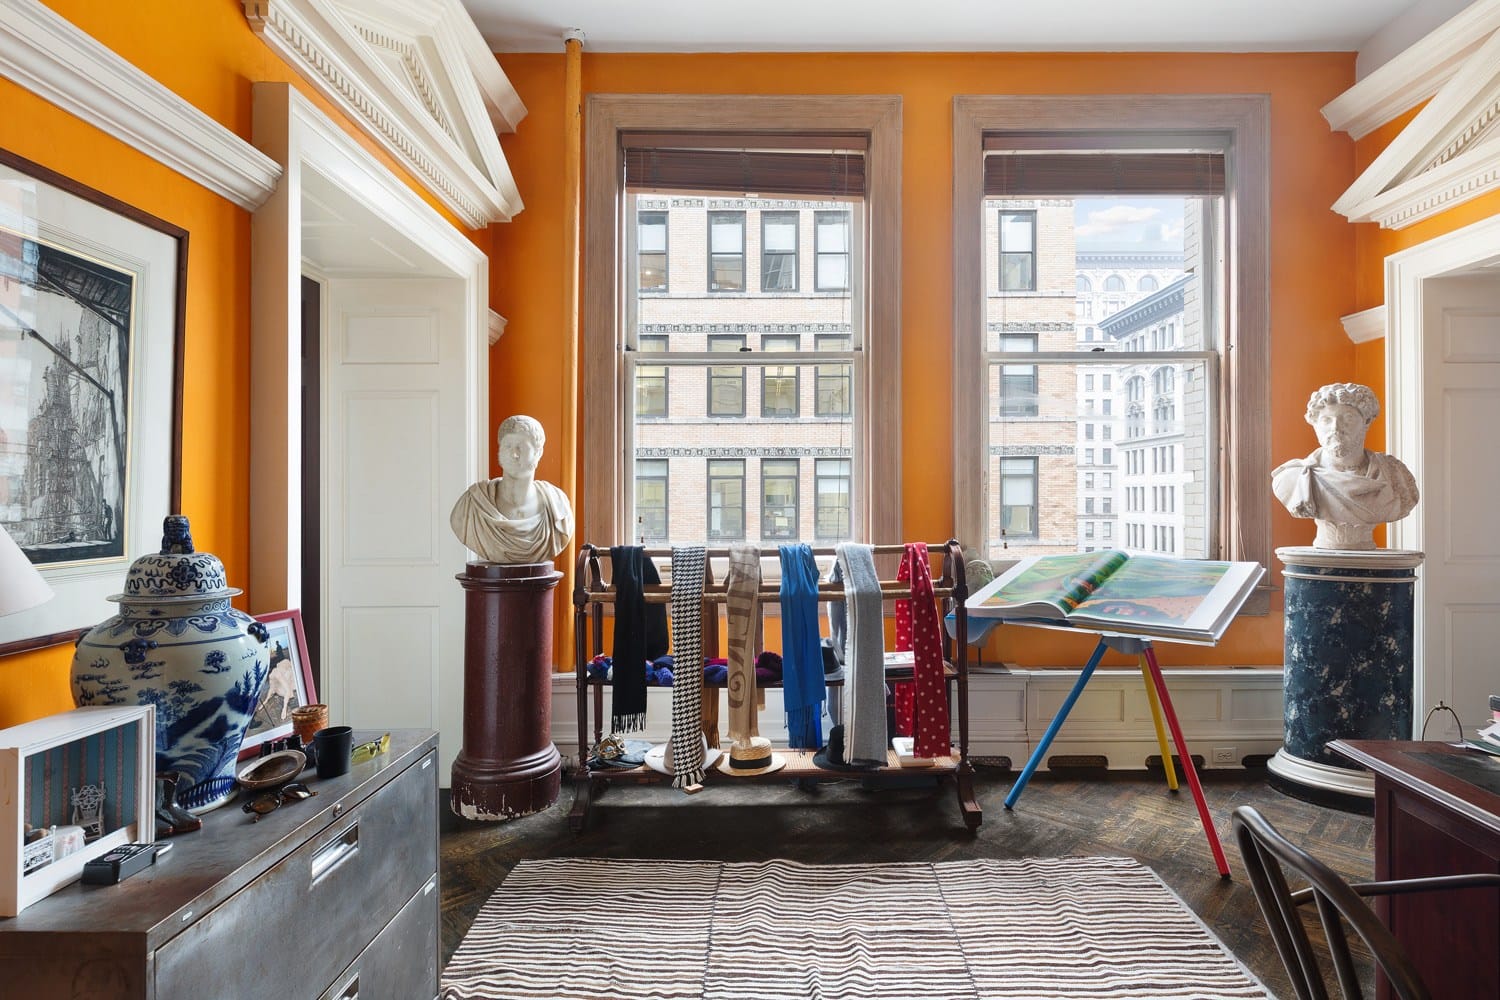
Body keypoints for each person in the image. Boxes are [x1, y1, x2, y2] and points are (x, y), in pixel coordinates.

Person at [1271, 382, 1418, 550]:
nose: (1336, 428)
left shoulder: (1394, 474)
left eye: (1348, 418)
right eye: (1326, 420)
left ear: (1366, 421)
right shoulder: (1294, 478)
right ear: (1315, 424)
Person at [449, 414, 574, 564]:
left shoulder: (557, 506)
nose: (514, 454)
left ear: (538, 453)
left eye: (521, 447)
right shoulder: (472, 504)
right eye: (507, 446)